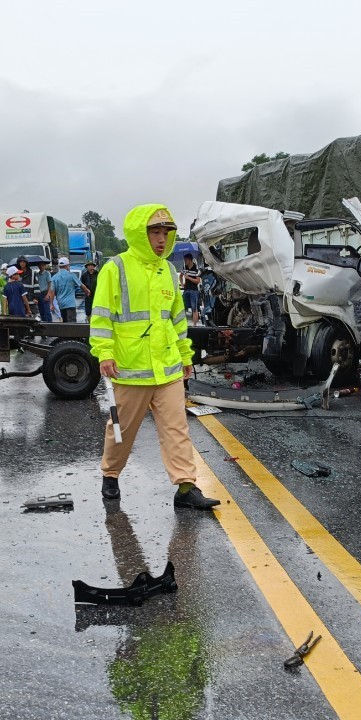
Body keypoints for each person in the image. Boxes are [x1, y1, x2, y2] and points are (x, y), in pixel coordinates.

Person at [89, 205, 220, 510]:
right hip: (129, 368)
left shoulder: (168, 271)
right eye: (155, 232)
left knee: (177, 429)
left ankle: (186, 487)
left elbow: (175, 320)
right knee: (121, 430)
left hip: (167, 369)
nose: (162, 239)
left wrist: (186, 356)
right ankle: (111, 475)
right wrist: (104, 353)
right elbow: (101, 316)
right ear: (139, 233)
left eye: (166, 233)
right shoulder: (116, 268)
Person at [49, 257, 81, 323]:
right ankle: (72, 333)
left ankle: (66, 333)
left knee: (65, 323)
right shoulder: (71, 275)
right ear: (66, 266)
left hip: (61, 305)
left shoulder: (54, 277)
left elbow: (52, 292)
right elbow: (81, 285)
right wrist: (87, 291)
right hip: (70, 304)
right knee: (72, 323)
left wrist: (51, 304)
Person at [179, 253, 202, 325]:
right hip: (186, 289)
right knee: (183, 307)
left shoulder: (196, 269)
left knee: (194, 308)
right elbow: (180, 276)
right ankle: (183, 324)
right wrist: (182, 283)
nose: (185, 261)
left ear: (190, 260)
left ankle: (195, 324)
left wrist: (189, 278)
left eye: (186, 260)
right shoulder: (185, 267)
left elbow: (197, 281)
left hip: (194, 290)